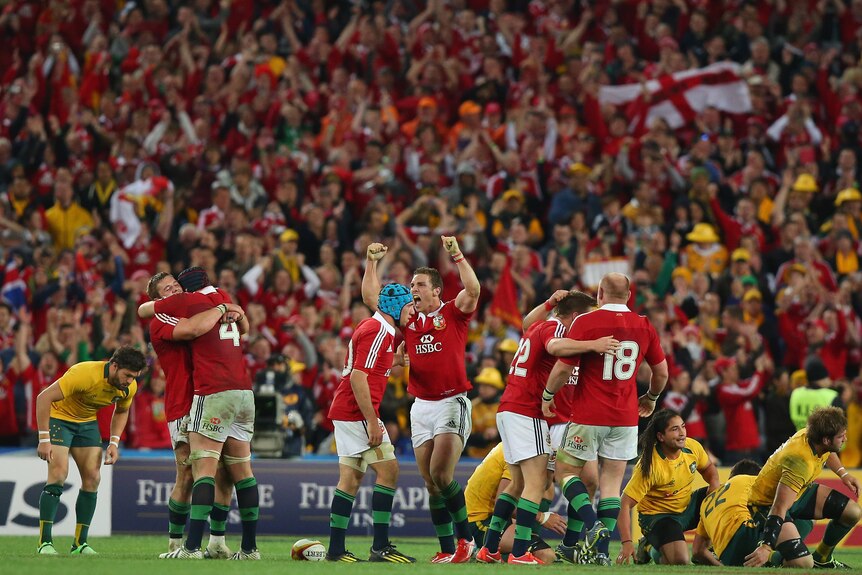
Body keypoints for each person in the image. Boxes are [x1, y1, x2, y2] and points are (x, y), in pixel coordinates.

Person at [478, 290, 620, 565]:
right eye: (589, 316)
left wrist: (549, 303)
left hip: (516, 409)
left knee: (521, 483)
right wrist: (594, 345)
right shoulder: (555, 329)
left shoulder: (542, 326)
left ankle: (490, 547)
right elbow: (554, 348)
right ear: (576, 316)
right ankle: (520, 552)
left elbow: (526, 324)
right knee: (536, 483)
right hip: (530, 411)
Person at [362, 238, 481, 563]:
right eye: (412, 284)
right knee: (430, 483)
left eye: (419, 284)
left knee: (442, 474)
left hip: (451, 402)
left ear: (436, 291)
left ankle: (466, 541)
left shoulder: (452, 314)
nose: (413, 288)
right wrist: (371, 262)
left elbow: (473, 290)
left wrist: (456, 254)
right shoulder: (409, 320)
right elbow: (372, 299)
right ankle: (445, 548)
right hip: (421, 406)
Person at [542, 272, 669, 566]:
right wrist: (650, 398)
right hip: (625, 417)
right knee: (611, 484)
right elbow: (661, 373)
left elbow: (563, 369)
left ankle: (593, 525)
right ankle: (600, 554)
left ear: (600, 293)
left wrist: (548, 396)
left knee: (564, 472)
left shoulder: (586, 322)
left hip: (589, 414)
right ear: (629, 294)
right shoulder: (644, 324)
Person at [140, 267, 260, 560]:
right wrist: (228, 308)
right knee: (188, 475)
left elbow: (236, 326)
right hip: (185, 402)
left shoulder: (196, 305)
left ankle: (215, 542)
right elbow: (169, 320)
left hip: (211, 395)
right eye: (167, 289)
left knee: (224, 476)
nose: (174, 291)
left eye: (175, 286)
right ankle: (177, 543)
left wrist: (232, 310)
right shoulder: (165, 316)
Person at [325, 283, 415, 563]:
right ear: (396, 307)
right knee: (389, 471)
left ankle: (336, 551)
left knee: (350, 480)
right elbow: (358, 377)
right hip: (357, 413)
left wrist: (393, 361)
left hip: (345, 411)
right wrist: (372, 420)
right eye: (409, 306)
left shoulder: (377, 329)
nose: (412, 312)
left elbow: (367, 368)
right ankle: (380, 547)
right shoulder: (378, 330)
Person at [35, 346, 147, 555]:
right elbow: (43, 398)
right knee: (58, 474)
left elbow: (122, 411)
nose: (130, 381)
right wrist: (44, 439)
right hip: (59, 419)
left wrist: (114, 442)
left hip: (86, 423)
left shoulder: (128, 388)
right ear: (114, 366)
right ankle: (45, 542)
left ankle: (79, 544)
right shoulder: (84, 373)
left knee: (93, 478)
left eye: (134, 377)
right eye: (127, 376)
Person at [745, 407, 862, 568]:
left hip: (798, 492)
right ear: (827, 440)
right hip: (766, 505)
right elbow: (779, 506)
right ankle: (768, 555)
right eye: (841, 436)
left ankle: (822, 559)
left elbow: (828, 452)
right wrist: (766, 546)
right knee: (803, 563)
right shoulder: (800, 461)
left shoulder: (814, 436)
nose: (845, 439)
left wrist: (844, 474)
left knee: (853, 512)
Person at [615, 409, 720, 565]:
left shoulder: (692, 447)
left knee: (722, 494)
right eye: (674, 429)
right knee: (680, 561)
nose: (682, 433)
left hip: (687, 507)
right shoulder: (650, 466)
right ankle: (649, 547)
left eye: (683, 426)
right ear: (661, 437)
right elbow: (624, 504)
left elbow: (709, 470)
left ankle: (707, 550)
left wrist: (714, 488)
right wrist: (626, 542)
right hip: (659, 516)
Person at [692, 459, 814, 567]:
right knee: (798, 512)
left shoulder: (706, 503)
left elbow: (697, 551)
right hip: (746, 535)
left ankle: (776, 556)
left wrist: (722, 566)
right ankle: (780, 555)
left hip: (729, 557)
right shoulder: (753, 481)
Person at [465, 443, 566, 565]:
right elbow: (503, 503)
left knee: (545, 487)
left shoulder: (521, 445)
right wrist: (542, 517)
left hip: (500, 517)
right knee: (546, 556)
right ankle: (482, 547)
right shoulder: (519, 454)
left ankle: (512, 550)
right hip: (481, 521)